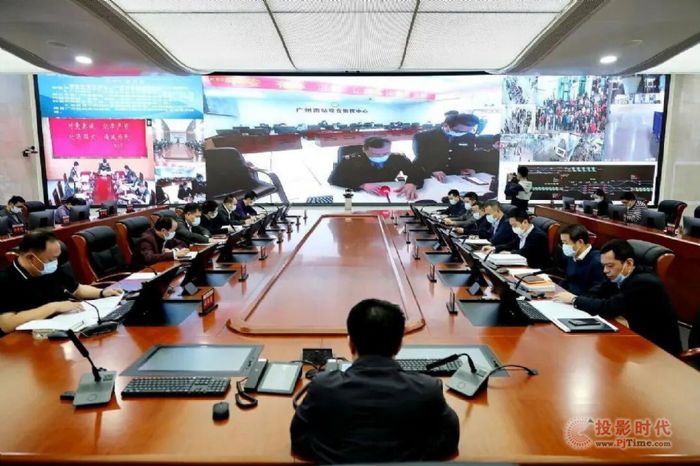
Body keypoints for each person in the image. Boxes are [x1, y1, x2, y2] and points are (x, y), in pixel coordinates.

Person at [290, 299, 459, 463]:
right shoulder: (427, 389)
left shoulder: (323, 387)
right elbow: (449, 440)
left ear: (350, 342)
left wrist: (331, 453)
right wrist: (415, 454)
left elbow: (299, 440)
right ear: (399, 344)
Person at [554, 240, 681, 355]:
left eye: (610, 266)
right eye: (603, 266)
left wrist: (574, 299)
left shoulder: (644, 282)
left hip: (656, 349)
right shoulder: (618, 276)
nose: (605, 270)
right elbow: (593, 293)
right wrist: (583, 300)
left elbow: (608, 308)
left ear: (629, 263)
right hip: (631, 336)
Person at [0, 230, 123, 336]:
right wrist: (54, 307)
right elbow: (7, 324)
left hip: (62, 330)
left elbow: (77, 289)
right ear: (31, 258)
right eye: (51, 259)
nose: (55, 263)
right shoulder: (6, 279)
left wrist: (102, 292)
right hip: (24, 341)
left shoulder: (47, 268)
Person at [327, 137, 423, 200]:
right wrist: (361, 185)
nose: (381, 157)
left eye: (385, 153)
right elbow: (333, 179)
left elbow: (417, 171)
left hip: (389, 193)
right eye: (376, 154)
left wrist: (412, 183)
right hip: (361, 195)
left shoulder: (397, 158)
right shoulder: (350, 160)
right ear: (364, 150)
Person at [412, 112, 480, 182]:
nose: (462, 133)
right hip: (428, 175)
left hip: (456, 176)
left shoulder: (469, 137)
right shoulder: (422, 137)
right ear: (445, 125)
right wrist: (432, 170)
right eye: (458, 131)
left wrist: (469, 168)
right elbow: (421, 159)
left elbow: (469, 155)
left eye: (466, 131)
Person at [483, 209, 549, 269]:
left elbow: (525, 251)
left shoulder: (538, 235)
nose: (513, 228)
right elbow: (511, 244)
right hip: (523, 265)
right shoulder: (523, 231)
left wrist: (510, 253)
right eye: (511, 225)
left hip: (535, 269)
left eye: (514, 225)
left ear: (525, 222)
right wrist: (495, 248)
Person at [558, 224, 606, 295]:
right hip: (568, 297)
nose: (564, 246)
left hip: (582, 299)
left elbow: (598, 291)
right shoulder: (571, 255)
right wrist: (556, 290)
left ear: (580, 242)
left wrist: (574, 299)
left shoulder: (597, 261)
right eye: (563, 243)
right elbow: (568, 278)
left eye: (566, 243)